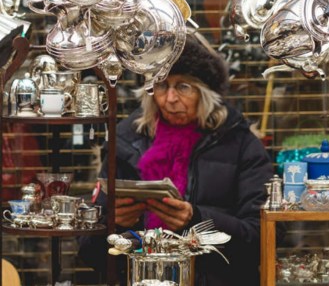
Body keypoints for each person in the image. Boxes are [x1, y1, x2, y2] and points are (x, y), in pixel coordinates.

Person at [78, 33, 274, 286]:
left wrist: (196, 221)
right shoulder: (126, 142)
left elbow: (263, 240)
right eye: (161, 85)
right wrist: (112, 224)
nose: (170, 99)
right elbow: (89, 254)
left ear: (205, 94)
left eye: (183, 87)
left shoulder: (241, 145)